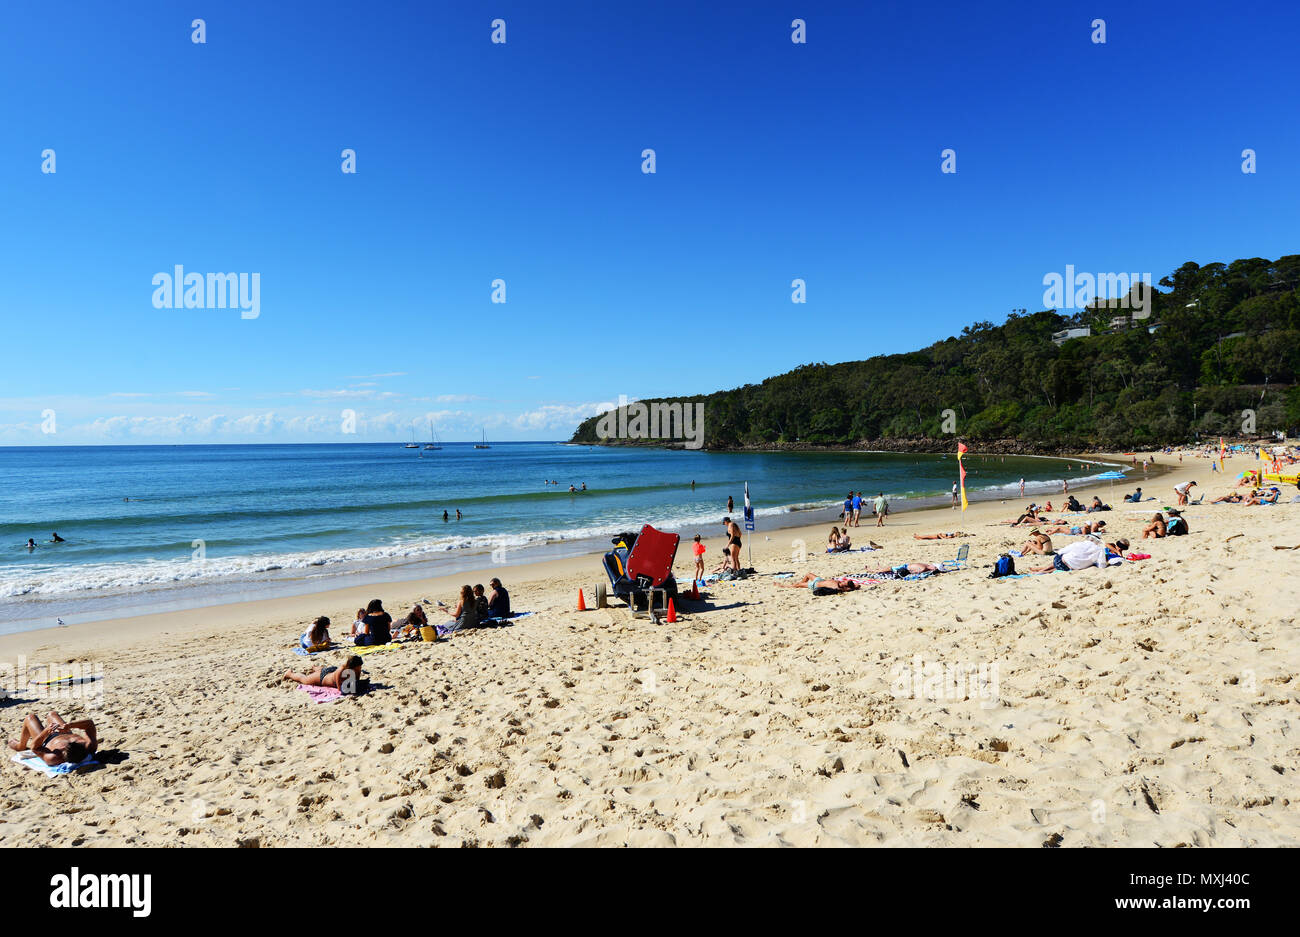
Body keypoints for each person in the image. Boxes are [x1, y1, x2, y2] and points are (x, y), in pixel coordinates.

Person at [9, 711, 98, 767]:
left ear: (63, 757)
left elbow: (34, 747)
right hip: (65, 731)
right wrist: (70, 725)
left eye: (63, 749)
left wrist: (46, 731)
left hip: (46, 739)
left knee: (30, 717)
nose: (64, 746)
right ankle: (57, 723)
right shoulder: (89, 745)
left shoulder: (53, 758)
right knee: (52, 714)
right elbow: (89, 724)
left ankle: (20, 746)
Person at [1028, 537, 1117, 572]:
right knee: (1063, 565)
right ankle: (1044, 571)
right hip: (1069, 567)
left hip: (1060, 561)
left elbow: (1061, 551)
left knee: (1061, 558)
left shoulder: (1079, 544)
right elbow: (1102, 566)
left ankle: (1043, 569)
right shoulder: (1100, 550)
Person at [284, 656, 364, 693]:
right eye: (358, 667)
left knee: (323, 671)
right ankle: (289, 674)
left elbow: (356, 680)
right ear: (353, 667)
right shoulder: (340, 671)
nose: (360, 668)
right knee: (305, 680)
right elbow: (340, 689)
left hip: (331, 671)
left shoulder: (356, 669)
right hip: (323, 678)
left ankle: (316, 668)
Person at [776, 572, 861, 595]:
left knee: (798, 585)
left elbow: (851, 588)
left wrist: (852, 588)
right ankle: (800, 583)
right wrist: (855, 586)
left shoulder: (838, 588)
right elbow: (856, 585)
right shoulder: (839, 583)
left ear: (846, 585)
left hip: (814, 585)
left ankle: (784, 586)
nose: (844, 581)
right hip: (819, 580)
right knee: (808, 574)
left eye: (845, 582)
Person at [864, 562, 942, 578]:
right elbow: (915, 572)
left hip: (905, 567)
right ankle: (875, 569)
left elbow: (914, 572)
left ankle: (876, 569)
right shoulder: (925, 567)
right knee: (889, 569)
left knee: (889, 568)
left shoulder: (925, 566)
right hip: (905, 567)